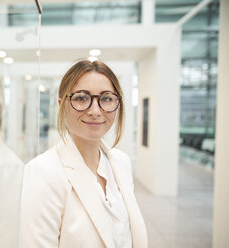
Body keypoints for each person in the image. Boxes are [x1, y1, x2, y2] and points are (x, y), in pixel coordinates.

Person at [20, 60, 148, 248]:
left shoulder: (122, 163)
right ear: (62, 105)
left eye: (106, 98)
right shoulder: (43, 172)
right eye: (81, 98)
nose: (95, 111)